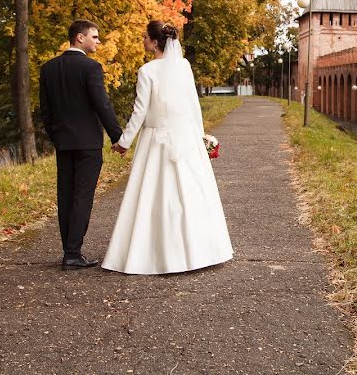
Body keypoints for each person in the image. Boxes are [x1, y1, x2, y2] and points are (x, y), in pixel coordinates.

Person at [102, 21, 233, 275]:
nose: (142, 40)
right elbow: (193, 105)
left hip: (156, 140)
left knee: (155, 194)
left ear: (154, 42)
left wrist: (124, 142)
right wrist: (200, 136)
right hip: (185, 137)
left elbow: (139, 112)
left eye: (144, 37)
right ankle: (200, 250)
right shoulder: (183, 66)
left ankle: (153, 253)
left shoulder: (147, 71)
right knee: (189, 192)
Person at [39, 19, 123, 270]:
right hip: (87, 144)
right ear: (79, 38)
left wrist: (56, 136)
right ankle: (73, 253)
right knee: (82, 197)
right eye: (95, 37)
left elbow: (46, 111)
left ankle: (69, 250)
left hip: (63, 142)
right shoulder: (91, 68)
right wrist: (117, 136)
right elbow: (102, 104)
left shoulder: (49, 68)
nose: (98, 41)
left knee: (65, 195)